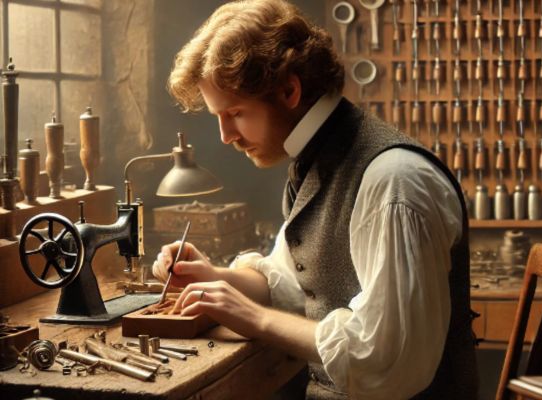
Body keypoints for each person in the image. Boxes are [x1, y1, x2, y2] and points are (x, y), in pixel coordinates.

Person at [152, 0, 478, 398]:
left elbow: (386, 358)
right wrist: (215, 279)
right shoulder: (317, 157)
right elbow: (299, 283)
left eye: (235, 113)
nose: (226, 136)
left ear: (289, 90)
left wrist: (251, 317)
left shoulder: (392, 183)